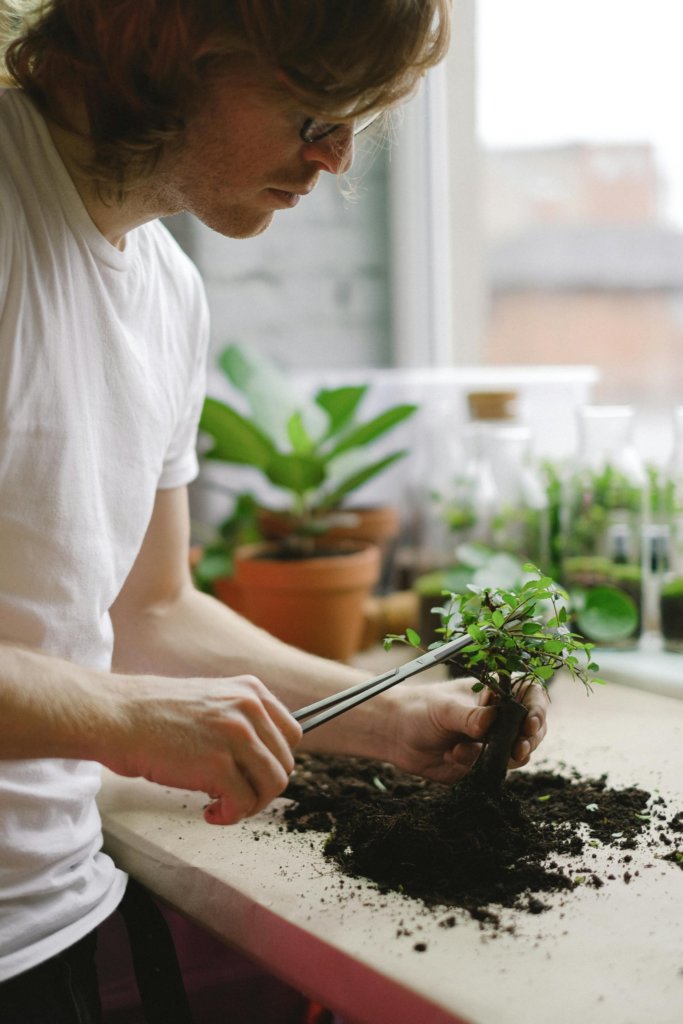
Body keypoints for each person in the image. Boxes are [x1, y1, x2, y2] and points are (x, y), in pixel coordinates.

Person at [0, 1, 549, 1020]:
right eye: (311, 114)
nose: (335, 161)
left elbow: (150, 611)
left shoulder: (167, 293)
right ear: (163, 45)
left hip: (52, 921)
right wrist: (122, 717)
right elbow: (125, 679)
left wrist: (388, 719)